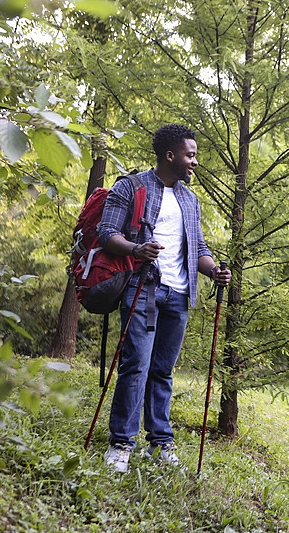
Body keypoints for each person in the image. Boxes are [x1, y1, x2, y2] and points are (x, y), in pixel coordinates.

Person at [97, 124, 231, 473]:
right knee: (136, 364)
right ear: (170, 155)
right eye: (190, 155)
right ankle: (121, 444)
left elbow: (198, 248)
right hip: (142, 287)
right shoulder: (131, 186)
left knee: (162, 371)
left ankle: (160, 443)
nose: (195, 162)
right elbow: (106, 233)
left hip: (180, 294)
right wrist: (136, 249)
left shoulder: (189, 199)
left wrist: (214, 270)